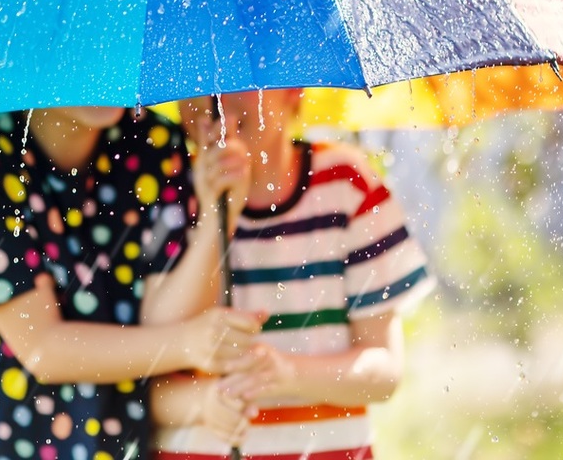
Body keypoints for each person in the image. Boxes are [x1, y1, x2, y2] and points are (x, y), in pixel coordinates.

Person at [0, 105, 265, 460]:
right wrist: (185, 343)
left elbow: (161, 323)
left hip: (111, 438)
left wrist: (217, 214)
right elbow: (43, 349)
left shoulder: (155, 142)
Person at [151, 90, 435, 459]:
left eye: (239, 78)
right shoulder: (164, 191)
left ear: (292, 90)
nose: (215, 100)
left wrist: (287, 373)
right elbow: (143, 378)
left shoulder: (346, 186)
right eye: (196, 80)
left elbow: (383, 371)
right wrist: (218, 216)